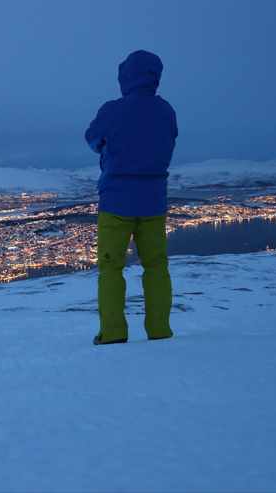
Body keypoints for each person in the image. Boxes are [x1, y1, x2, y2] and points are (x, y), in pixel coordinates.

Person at [84, 49, 178, 345]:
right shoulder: (166, 111)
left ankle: (113, 333)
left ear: (125, 77)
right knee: (156, 266)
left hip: (115, 202)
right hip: (153, 202)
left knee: (111, 268)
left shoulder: (112, 110)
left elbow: (92, 139)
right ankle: (160, 331)